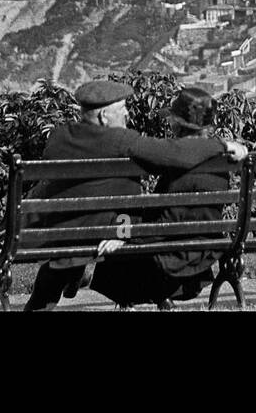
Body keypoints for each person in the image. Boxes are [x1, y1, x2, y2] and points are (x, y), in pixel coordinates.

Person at [22, 80, 248, 311]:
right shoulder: (121, 140)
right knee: (119, 209)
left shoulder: (58, 137)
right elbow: (176, 154)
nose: (128, 114)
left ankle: (59, 288)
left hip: (62, 232)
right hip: (106, 230)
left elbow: (49, 187)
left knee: (61, 262)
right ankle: (81, 276)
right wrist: (221, 144)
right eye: (122, 109)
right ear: (103, 117)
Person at [89, 87, 230, 309]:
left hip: (171, 251)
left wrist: (125, 235)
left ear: (176, 124)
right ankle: (158, 296)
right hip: (205, 247)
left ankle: (134, 299)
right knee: (125, 235)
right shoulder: (221, 159)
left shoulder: (174, 161)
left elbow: (164, 224)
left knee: (118, 241)